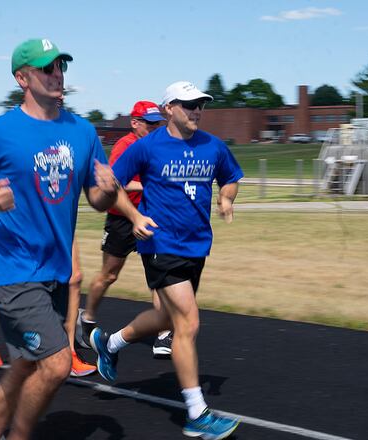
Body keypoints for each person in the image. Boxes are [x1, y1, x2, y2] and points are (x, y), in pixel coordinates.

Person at [0, 38, 118, 440]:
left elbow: (96, 199)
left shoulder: (84, 132)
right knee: (57, 365)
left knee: (25, 365)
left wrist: (108, 191)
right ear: (22, 78)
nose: (57, 74)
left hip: (55, 267)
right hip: (11, 266)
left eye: (61, 67)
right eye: (47, 68)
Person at [89, 81, 243, 439]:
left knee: (165, 316)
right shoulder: (146, 148)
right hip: (161, 243)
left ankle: (109, 344)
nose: (197, 111)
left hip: (197, 245)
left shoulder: (213, 146)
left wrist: (226, 197)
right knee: (187, 323)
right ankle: (197, 413)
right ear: (169, 108)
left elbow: (232, 177)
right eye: (189, 104)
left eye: (200, 105)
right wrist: (135, 216)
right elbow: (112, 187)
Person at [77, 101, 174, 357]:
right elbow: (116, 181)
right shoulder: (125, 146)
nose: (155, 127)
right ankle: (87, 319)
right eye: (149, 122)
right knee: (109, 275)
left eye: (157, 123)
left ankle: (164, 335)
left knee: (159, 279)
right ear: (135, 122)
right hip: (121, 219)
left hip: (149, 219)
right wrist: (148, 187)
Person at [0, 240, 97, 377]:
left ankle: (70, 352)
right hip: (28, 222)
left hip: (60, 219)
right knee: (21, 279)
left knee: (74, 278)